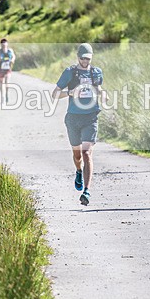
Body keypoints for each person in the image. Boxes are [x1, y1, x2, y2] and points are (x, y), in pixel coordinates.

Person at [52, 43, 106, 206]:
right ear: (78, 57)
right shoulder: (70, 72)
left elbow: (98, 88)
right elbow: (55, 94)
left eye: (88, 58)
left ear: (91, 57)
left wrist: (103, 94)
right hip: (73, 118)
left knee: (87, 153)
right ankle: (78, 170)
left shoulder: (96, 72)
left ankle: (87, 191)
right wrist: (70, 92)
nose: (85, 61)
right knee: (77, 156)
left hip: (91, 117)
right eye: (82, 58)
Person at [0, 38, 15, 105]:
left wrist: (12, 60)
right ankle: (2, 97)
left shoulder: (10, 51)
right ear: (1, 45)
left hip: (8, 69)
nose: (4, 46)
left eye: (5, 45)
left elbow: (13, 56)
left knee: (7, 84)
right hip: (1, 69)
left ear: (7, 44)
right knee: (1, 84)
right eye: (3, 45)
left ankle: (7, 95)